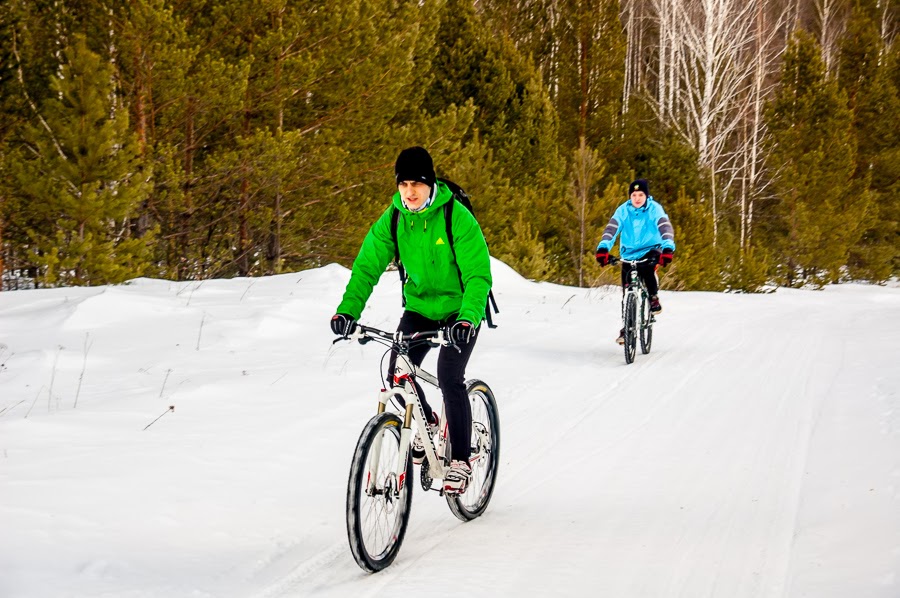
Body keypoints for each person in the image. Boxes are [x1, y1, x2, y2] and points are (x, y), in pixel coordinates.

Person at [330, 146, 492, 495]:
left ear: (430, 182)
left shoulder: (455, 217)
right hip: (419, 309)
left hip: (461, 310)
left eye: (417, 183)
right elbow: (367, 267)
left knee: (450, 376)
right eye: (403, 184)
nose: (410, 191)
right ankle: (429, 422)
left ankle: (461, 460)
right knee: (396, 374)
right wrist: (348, 311)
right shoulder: (393, 218)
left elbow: (478, 275)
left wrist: (467, 319)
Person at [594, 179, 675, 345]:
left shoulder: (655, 209)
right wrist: (603, 249)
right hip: (629, 253)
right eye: (634, 195)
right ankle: (627, 327)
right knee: (626, 293)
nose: (637, 198)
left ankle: (653, 297)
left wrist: (667, 248)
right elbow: (611, 229)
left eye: (641, 194)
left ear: (646, 195)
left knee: (647, 270)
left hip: (651, 248)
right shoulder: (623, 211)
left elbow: (665, 228)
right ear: (630, 196)